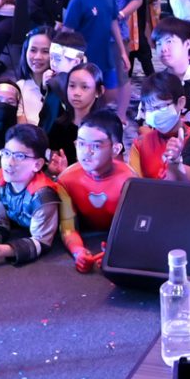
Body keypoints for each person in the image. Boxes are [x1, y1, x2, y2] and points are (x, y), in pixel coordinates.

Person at [0, 125, 63, 269]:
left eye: (19, 156)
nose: (9, 163)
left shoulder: (43, 196)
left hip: (48, 229)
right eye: (6, 153)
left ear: (37, 164)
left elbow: (42, 243)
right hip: (19, 221)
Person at [58, 111, 135, 272]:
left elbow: (135, 229)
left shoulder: (130, 182)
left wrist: (118, 250)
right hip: (85, 236)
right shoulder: (66, 180)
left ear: (116, 149)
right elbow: (68, 227)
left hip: (118, 241)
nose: (86, 152)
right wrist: (78, 252)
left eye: (96, 146)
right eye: (81, 144)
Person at [60, 0, 131, 102]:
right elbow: (67, 32)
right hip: (86, 58)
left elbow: (113, 22)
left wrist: (123, 52)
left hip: (106, 54)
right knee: (88, 97)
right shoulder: (78, 0)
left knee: (110, 93)